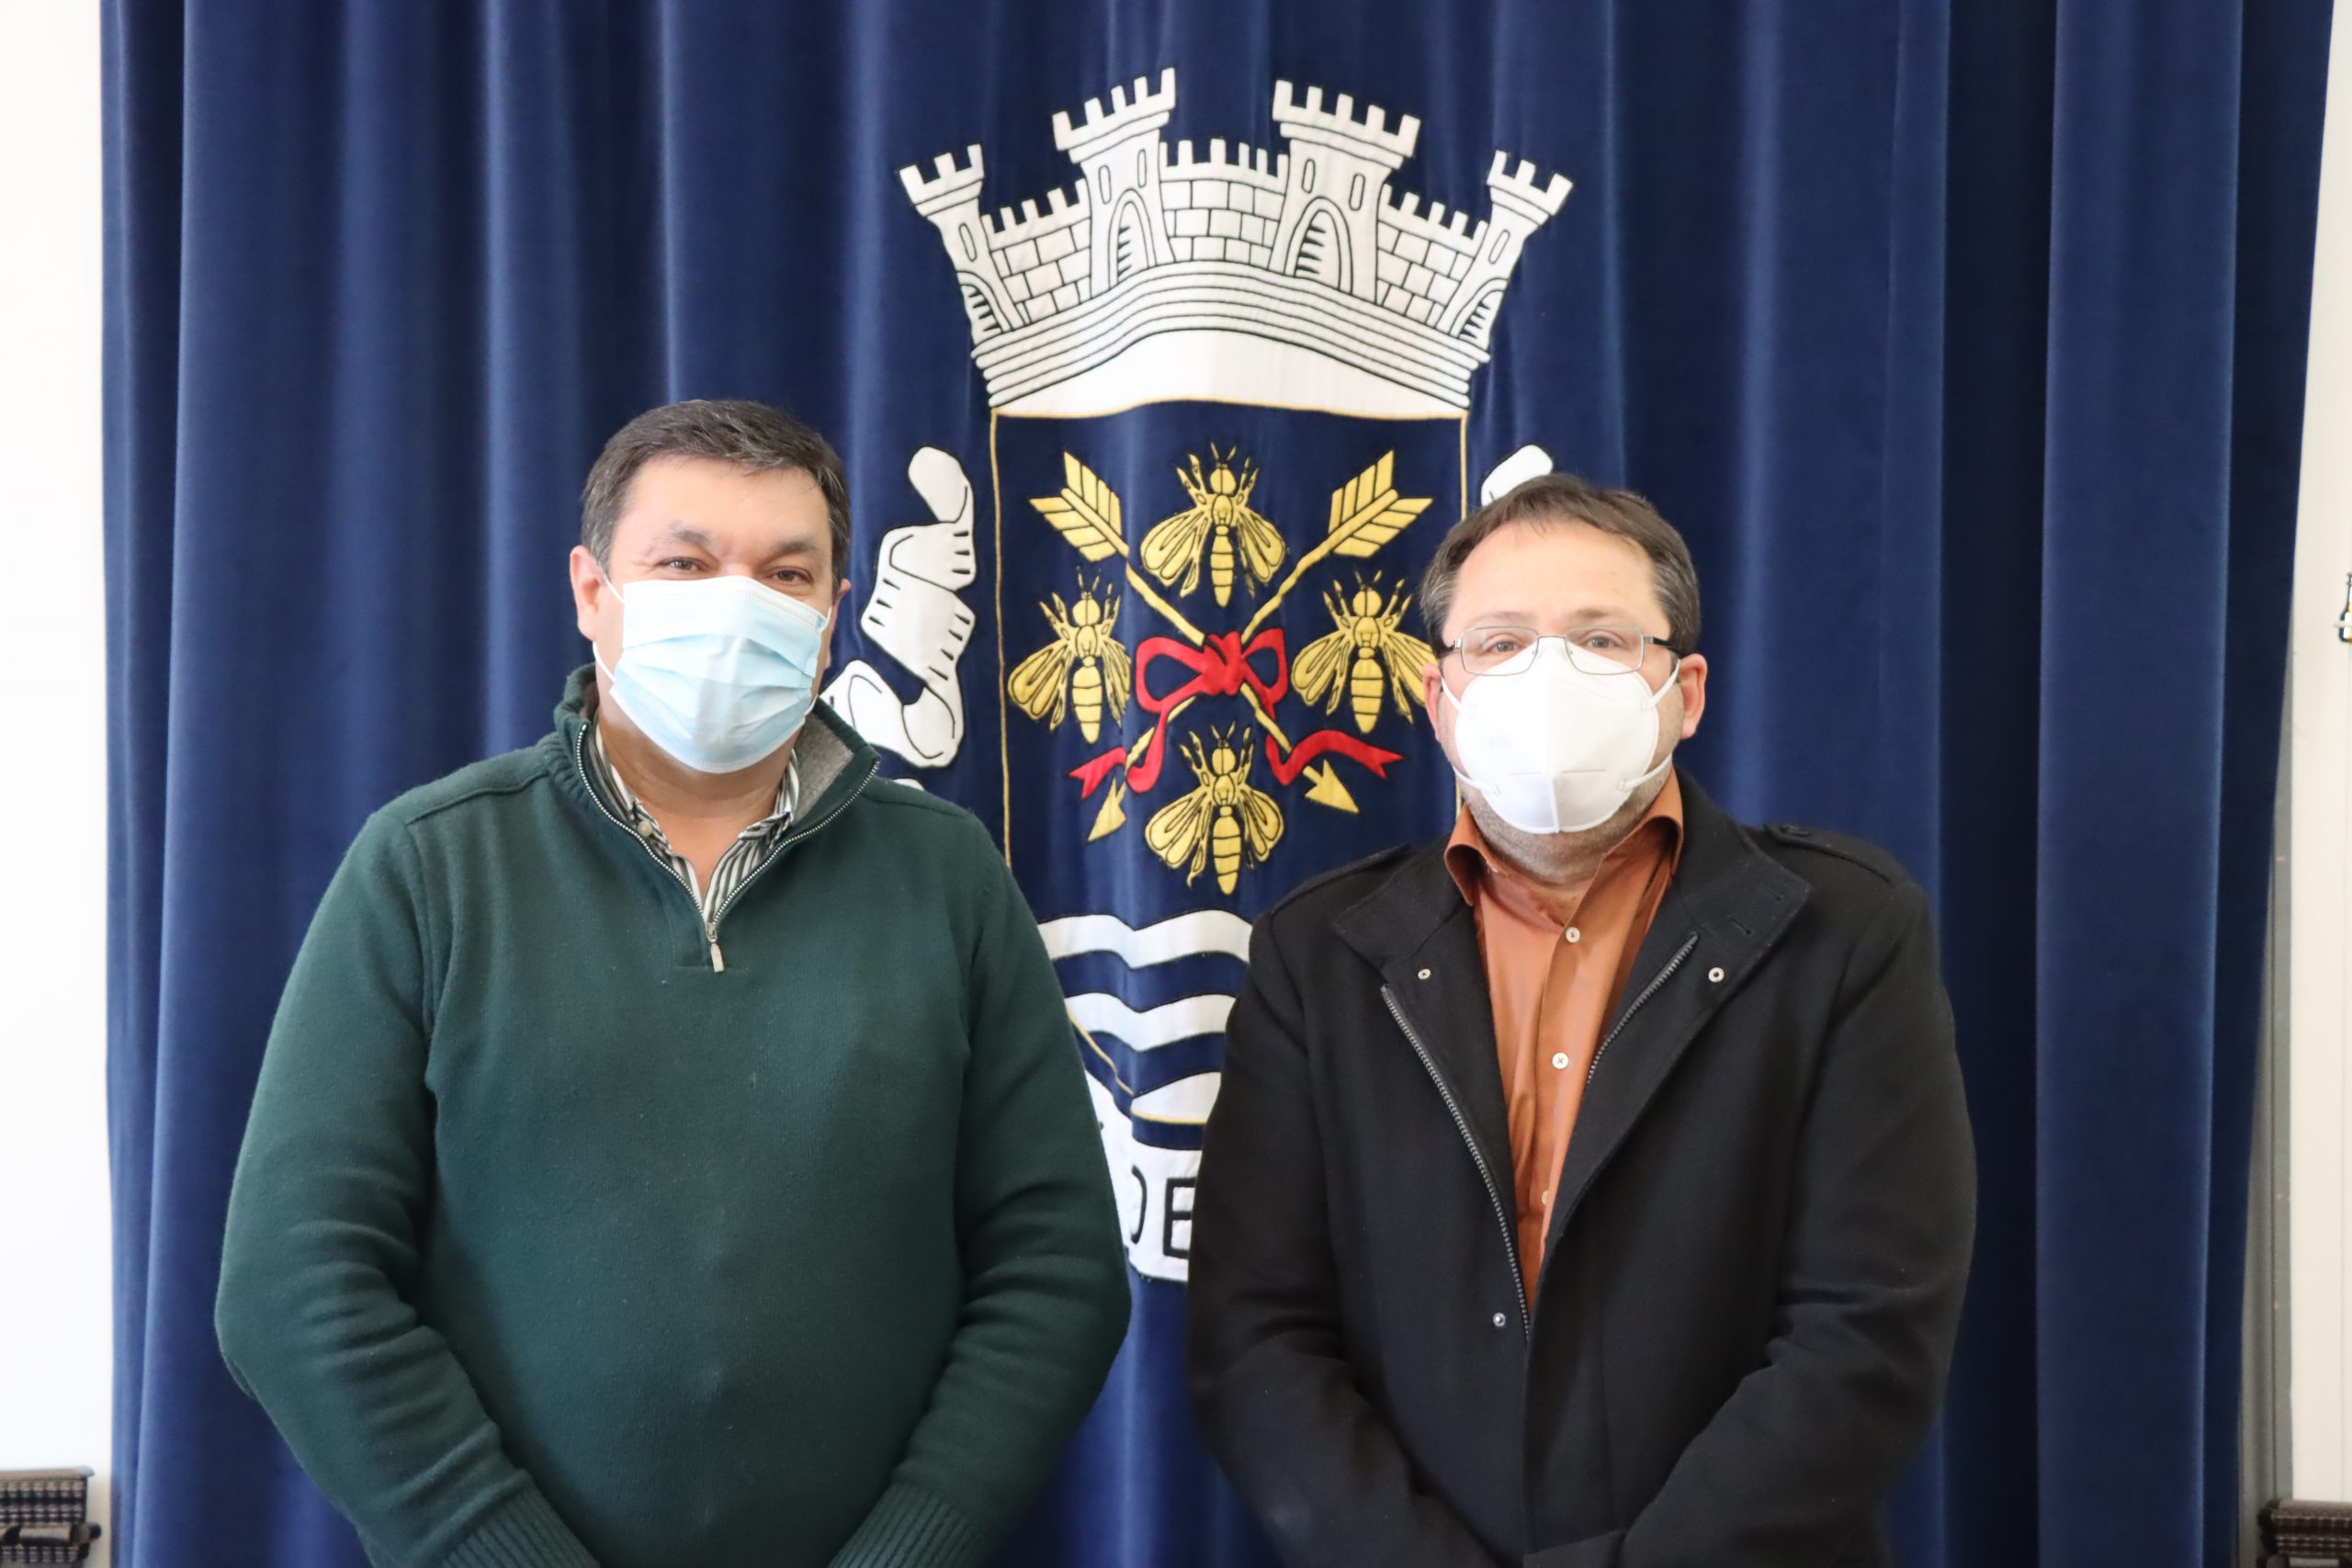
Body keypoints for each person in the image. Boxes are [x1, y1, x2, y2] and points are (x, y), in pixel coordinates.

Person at [217, 399, 1129, 1568]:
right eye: (685, 564)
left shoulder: (947, 878)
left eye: (786, 574)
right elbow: (294, 1285)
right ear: (591, 591)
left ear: (831, 616)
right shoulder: (430, 867)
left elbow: (1057, 1272)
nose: (738, 605)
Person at [1187, 472, 1975, 1568]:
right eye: (1500, 643)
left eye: (1601, 641)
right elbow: (1256, 1336)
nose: (1546, 678)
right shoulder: (1317, 956)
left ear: (1684, 692)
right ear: (1439, 699)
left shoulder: (1840, 932)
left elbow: (1866, 1331)